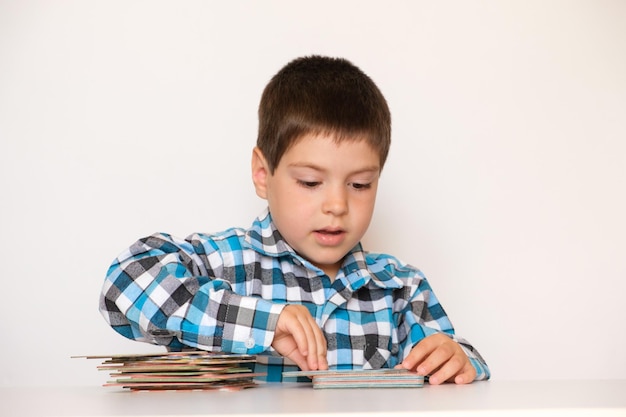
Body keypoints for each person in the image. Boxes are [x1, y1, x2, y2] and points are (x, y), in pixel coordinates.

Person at [100, 55, 490, 384]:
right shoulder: (227, 263)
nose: (336, 204)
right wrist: (266, 323)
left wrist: (458, 361)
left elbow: (459, 361)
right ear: (262, 174)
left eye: (359, 184)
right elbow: (125, 281)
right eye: (310, 182)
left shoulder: (399, 288)